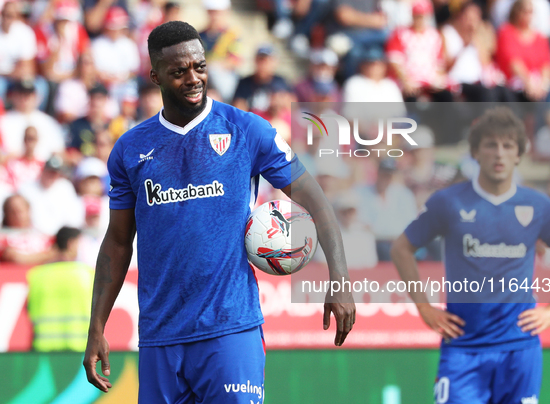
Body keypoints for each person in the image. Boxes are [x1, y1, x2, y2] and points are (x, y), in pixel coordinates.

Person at [83, 21, 355, 402]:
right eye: (179, 71)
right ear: (155, 75)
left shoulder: (247, 130)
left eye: (200, 66)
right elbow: (116, 242)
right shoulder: (130, 149)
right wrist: (97, 325)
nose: (193, 78)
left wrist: (339, 277)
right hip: (161, 336)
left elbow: (317, 201)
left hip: (230, 329)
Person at [391, 107, 550, 404]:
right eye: (491, 145)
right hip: (463, 349)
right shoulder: (448, 202)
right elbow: (401, 248)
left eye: (508, 146)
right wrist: (424, 307)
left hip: (519, 348)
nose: (499, 154)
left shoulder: (538, 206)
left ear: (519, 154)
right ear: (475, 151)